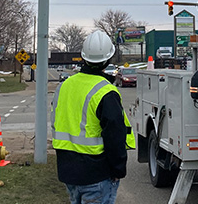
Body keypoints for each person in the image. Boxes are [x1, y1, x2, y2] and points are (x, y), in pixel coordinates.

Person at [51, 32, 135, 204]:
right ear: (108, 59)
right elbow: (114, 135)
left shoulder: (64, 86)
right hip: (97, 173)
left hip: (68, 170)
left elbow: (55, 122)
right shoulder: (105, 92)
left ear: (83, 57)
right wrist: (118, 170)